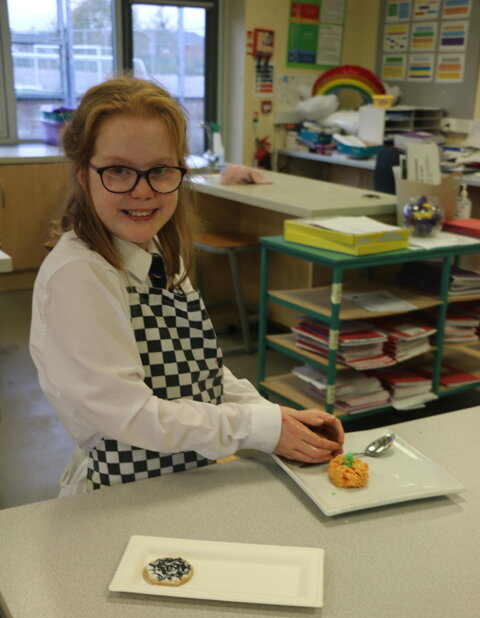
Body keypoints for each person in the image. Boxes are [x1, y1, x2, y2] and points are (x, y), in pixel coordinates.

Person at [29, 75, 344, 493]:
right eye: (118, 171)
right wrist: (259, 428)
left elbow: (201, 369)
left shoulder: (160, 250)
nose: (143, 191)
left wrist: (271, 415)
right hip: (124, 492)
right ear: (83, 175)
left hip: (186, 475)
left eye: (160, 170)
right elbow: (131, 415)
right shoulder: (78, 277)